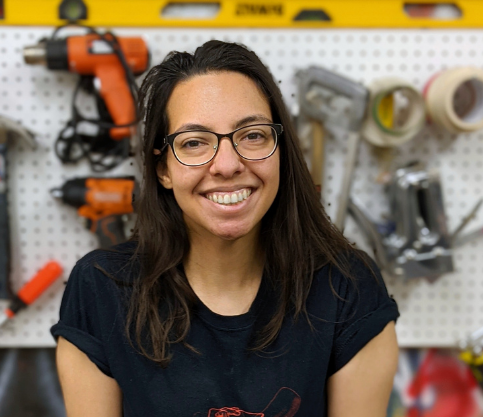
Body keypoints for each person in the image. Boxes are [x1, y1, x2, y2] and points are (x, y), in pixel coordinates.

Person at [51, 40, 400, 417]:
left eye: (252, 135)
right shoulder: (101, 289)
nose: (227, 165)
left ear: (281, 150)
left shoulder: (347, 287)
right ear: (163, 169)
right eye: (194, 143)